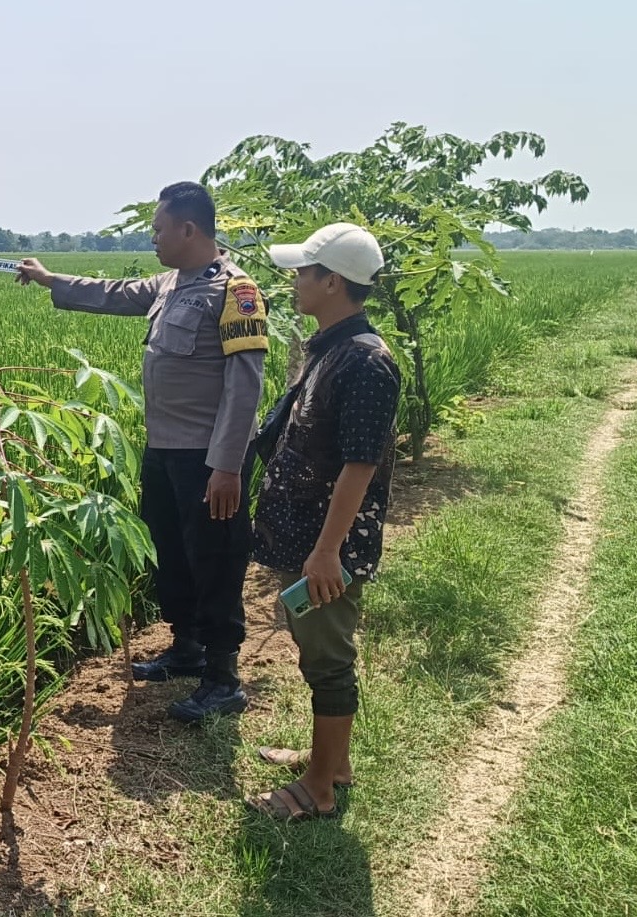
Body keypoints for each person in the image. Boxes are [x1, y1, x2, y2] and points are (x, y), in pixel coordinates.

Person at [18, 182, 268, 723]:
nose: (152, 237)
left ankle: (223, 677)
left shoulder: (236, 292)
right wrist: (49, 280)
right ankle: (186, 648)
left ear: (188, 229)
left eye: (158, 228)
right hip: (165, 450)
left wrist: (227, 466)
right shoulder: (168, 283)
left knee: (215, 559)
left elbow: (245, 387)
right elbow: (111, 292)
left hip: (209, 458)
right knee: (172, 550)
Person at [244, 223, 400, 820]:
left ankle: (320, 789)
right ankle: (330, 763)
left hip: (326, 543)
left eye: (304, 272)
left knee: (328, 659)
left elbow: (359, 468)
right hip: (308, 536)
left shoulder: (364, 362)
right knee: (315, 650)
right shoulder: (333, 346)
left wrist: (327, 551)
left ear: (331, 281)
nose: (294, 281)